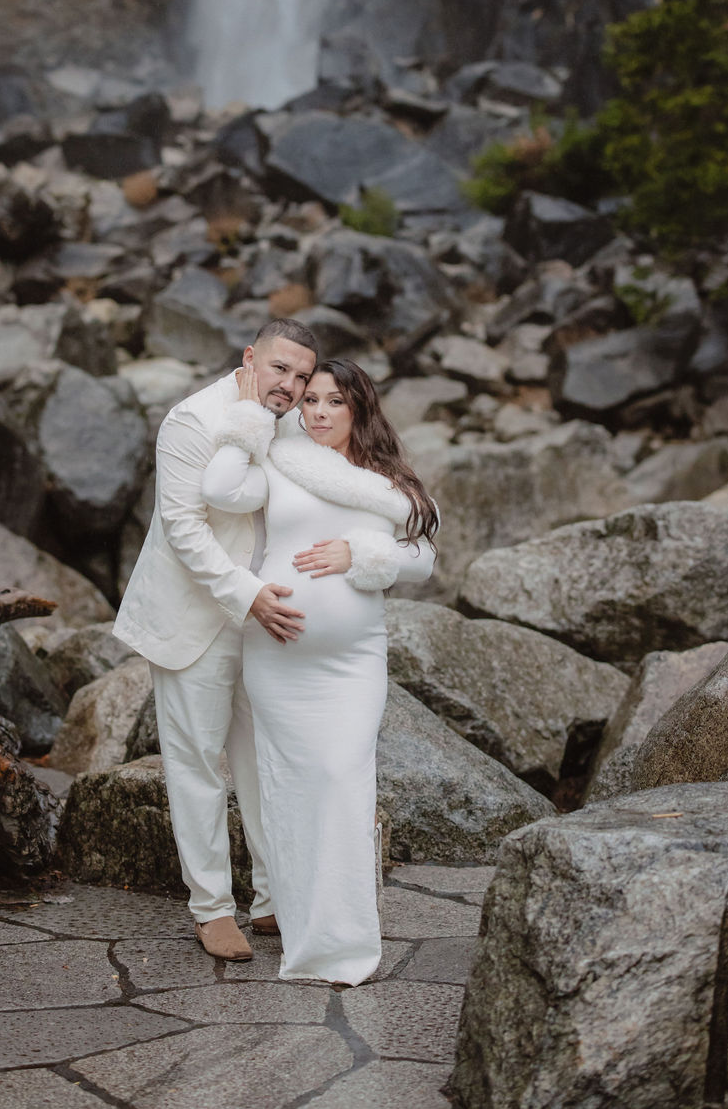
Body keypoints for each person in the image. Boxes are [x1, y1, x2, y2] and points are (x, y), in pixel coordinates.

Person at [201, 357, 439, 985]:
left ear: (358, 408)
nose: (321, 413)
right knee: (290, 790)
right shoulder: (280, 462)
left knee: (342, 783)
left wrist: (362, 552)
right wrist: (252, 417)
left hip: (353, 662)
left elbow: (424, 557)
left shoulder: (385, 481)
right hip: (279, 661)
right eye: (312, 401)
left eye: (336, 402)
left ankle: (345, 945)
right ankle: (305, 937)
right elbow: (221, 491)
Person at [113, 318, 319, 962]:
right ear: (250, 357)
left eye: (303, 375)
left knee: (264, 761)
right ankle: (211, 908)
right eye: (280, 368)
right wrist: (247, 595)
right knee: (198, 764)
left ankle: (271, 899)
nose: (290, 384)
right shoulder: (191, 421)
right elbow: (182, 527)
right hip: (196, 615)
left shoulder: (289, 419)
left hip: (265, 619)